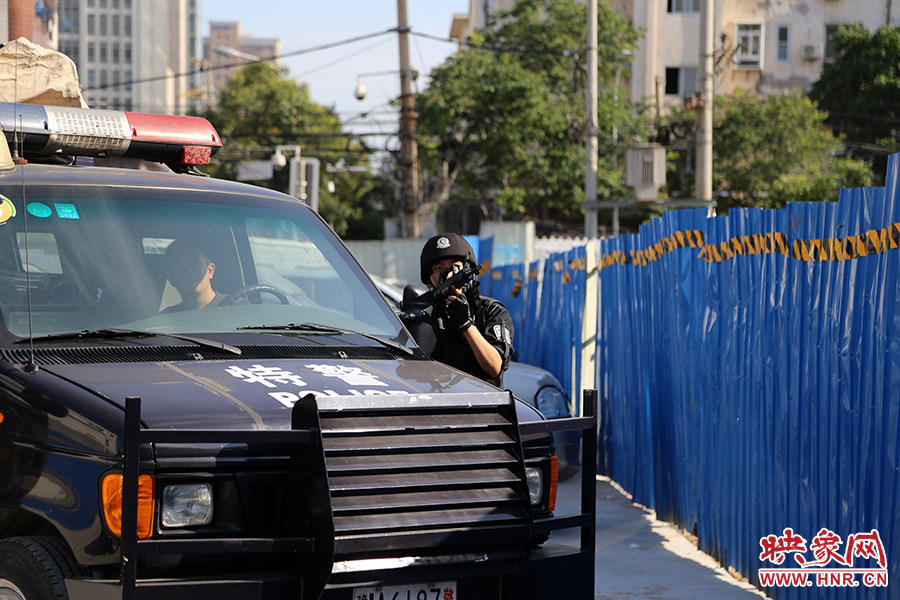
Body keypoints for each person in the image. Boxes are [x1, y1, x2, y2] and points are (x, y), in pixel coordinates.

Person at [415, 233, 514, 388]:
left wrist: (466, 324)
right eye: (439, 268)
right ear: (429, 277)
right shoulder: (421, 311)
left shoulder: (491, 310)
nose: (448, 274)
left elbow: (495, 367)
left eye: (455, 267)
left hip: (479, 399)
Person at [161, 239, 244, 312]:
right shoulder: (166, 319)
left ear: (210, 270)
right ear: (171, 279)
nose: (189, 271)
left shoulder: (237, 307)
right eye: (180, 266)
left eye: (196, 263)